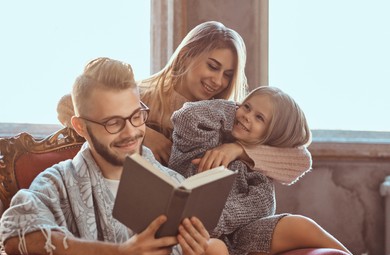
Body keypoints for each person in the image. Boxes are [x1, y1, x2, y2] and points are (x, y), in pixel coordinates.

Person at [0, 57, 229, 255]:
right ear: (80, 127)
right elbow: (14, 232)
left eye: (136, 116)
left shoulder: (175, 184)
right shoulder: (57, 182)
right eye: (113, 123)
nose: (131, 132)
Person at [56, 21, 312, 186]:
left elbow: (300, 160)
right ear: (188, 55)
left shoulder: (227, 115)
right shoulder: (141, 95)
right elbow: (67, 106)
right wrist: (146, 134)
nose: (218, 81)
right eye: (213, 67)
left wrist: (236, 150)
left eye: (227, 75)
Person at [168, 86, 357, 255]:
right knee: (212, 248)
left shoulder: (257, 172)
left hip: (233, 239)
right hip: (184, 226)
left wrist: (213, 219)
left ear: (273, 134)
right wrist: (232, 110)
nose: (247, 116)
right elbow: (187, 116)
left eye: (260, 118)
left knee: (300, 224)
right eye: (247, 107)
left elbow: (261, 207)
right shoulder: (207, 138)